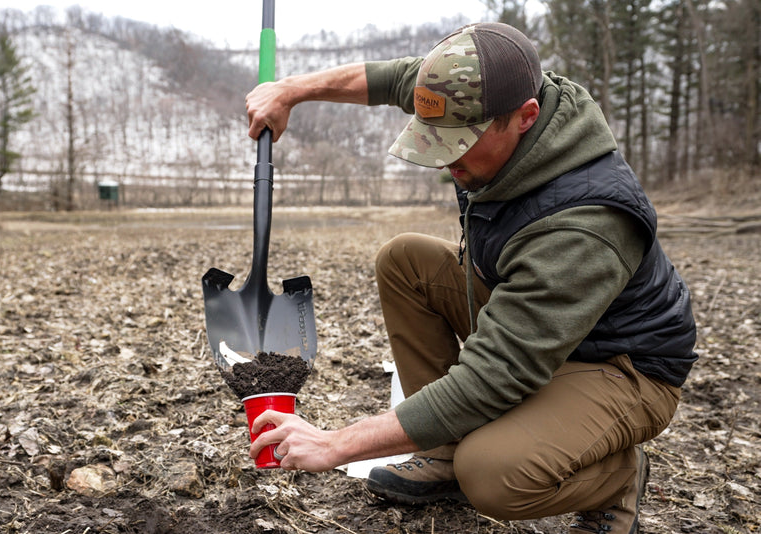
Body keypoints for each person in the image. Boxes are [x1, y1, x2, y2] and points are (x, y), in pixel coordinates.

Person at [245, 22, 698, 534]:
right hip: (539, 323)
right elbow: (391, 77)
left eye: (459, 142)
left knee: (492, 474)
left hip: (622, 363)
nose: (444, 159)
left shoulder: (585, 222)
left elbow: (492, 377)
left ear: (525, 117)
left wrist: (334, 443)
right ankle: (441, 453)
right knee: (406, 260)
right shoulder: (470, 91)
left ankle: (617, 477)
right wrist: (292, 91)